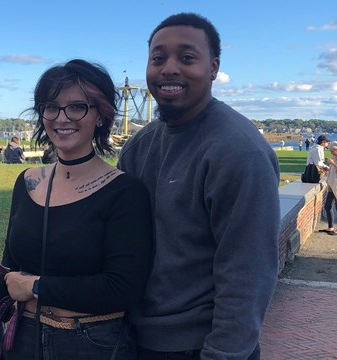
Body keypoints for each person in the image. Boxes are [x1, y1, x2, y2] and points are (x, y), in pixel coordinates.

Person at [117, 13, 280, 359]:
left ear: (213, 67)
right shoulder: (138, 147)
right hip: (135, 339)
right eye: (158, 58)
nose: (169, 68)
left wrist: (223, 353)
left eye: (187, 58)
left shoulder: (239, 151)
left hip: (203, 346)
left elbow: (247, 273)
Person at [0, 59, 153, 359]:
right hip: (23, 337)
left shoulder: (124, 192)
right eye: (51, 106)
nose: (61, 118)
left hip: (91, 342)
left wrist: (37, 287)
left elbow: (123, 288)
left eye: (77, 106)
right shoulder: (27, 181)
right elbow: (10, 265)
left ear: (101, 115)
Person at [321, 141, 337, 235]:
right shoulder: (334, 157)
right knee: (328, 206)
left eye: (332, 151)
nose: (331, 153)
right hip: (331, 184)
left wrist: (333, 163)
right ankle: (330, 227)